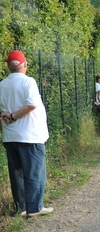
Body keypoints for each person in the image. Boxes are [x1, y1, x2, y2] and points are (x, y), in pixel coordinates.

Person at [0, 50, 53, 216]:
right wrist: (15, 116)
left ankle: (21, 207)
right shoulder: (28, 82)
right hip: (30, 135)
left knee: (17, 173)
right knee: (34, 172)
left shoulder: (1, 84)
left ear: (9, 66)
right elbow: (31, 104)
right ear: (24, 64)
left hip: (10, 136)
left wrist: (4, 131)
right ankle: (34, 208)